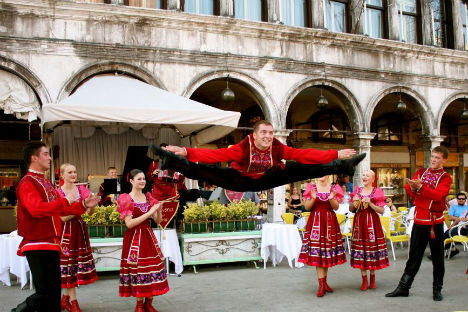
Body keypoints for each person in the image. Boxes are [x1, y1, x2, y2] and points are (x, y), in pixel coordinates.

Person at [153, 120, 365, 192]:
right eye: (264, 133)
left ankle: (342, 166)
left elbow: (302, 154)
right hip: (239, 179)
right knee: (205, 172)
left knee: (300, 169)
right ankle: (172, 160)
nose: (268, 136)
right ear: (254, 135)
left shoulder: (277, 148)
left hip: (266, 178)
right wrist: (187, 151)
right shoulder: (243, 148)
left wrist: (335, 153)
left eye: (271, 133)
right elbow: (215, 154)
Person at [12, 142, 99, 312]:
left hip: (51, 243)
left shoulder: (45, 183)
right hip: (37, 243)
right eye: (45, 154)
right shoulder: (28, 182)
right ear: (34, 158)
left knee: (53, 294)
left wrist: (83, 204)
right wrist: (66, 200)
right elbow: (36, 209)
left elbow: (61, 209)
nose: (50, 158)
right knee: (45, 292)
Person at [386, 146, 452, 301]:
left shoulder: (445, 177)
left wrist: (421, 187)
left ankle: (437, 289)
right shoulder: (421, 172)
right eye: (433, 156)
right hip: (420, 220)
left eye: (437, 157)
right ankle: (404, 287)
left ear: (444, 160)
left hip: (435, 222)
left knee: (437, 257)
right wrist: (415, 188)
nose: (433, 159)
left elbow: (438, 195)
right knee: (414, 256)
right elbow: (408, 188)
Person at [117, 169, 169, 312]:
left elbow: (158, 221)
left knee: (151, 268)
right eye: (139, 179)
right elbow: (129, 224)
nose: (142, 181)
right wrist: (150, 212)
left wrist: (158, 210)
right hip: (134, 238)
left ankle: (149, 303)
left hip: (147, 236)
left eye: (144, 179)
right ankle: (139, 304)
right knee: (138, 269)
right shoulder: (126, 198)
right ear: (131, 181)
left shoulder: (148, 197)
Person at [57, 163, 98, 312]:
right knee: (69, 265)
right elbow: (62, 218)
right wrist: (82, 206)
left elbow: (90, 213)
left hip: (79, 230)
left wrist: (92, 204)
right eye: (69, 172)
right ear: (62, 175)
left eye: (75, 172)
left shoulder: (81, 189)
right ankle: (73, 302)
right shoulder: (58, 193)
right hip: (65, 232)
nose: (73, 174)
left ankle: (65, 299)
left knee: (73, 265)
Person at [298, 176, 347, 297]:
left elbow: (336, 207)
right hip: (316, 223)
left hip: (330, 223)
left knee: (326, 253)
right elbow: (308, 207)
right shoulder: (311, 188)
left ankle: (324, 283)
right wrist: (313, 198)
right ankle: (321, 285)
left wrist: (331, 198)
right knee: (318, 253)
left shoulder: (334, 188)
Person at [349, 170, 389, 291]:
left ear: (373, 179)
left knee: (371, 249)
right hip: (359, 222)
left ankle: (372, 277)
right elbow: (351, 209)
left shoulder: (377, 191)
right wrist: (354, 202)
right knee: (361, 248)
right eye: (364, 175)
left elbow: (381, 211)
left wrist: (370, 203)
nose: (364, 177)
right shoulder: (357, 190)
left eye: (367, 175)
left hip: (372, 222)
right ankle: (364, 279)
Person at [442, 194, 468, 259]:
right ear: (457, 199)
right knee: (447, 234)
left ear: (465, 200)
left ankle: (448, 250)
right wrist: (458, 218)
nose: (461, 200)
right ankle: (452, 249)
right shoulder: (453, 207)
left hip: (465, 227)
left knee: (448, 233)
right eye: (459, 199)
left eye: (463, 199)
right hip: (457, 227)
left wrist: (465, 219)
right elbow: (450, 218)